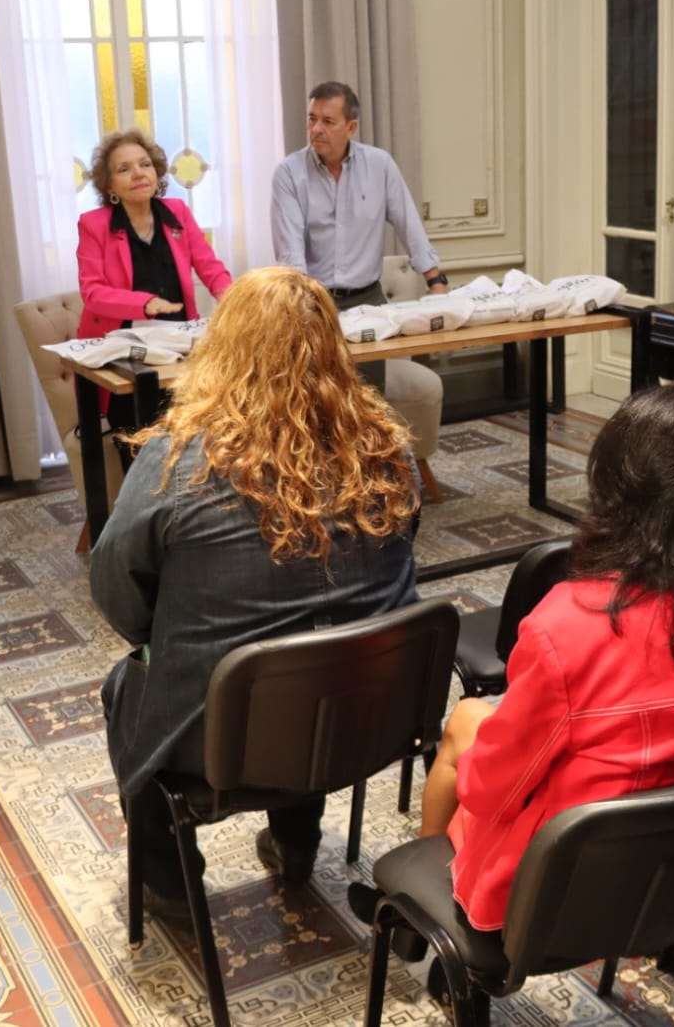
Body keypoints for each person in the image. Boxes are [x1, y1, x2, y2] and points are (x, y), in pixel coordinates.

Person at [350, 378, 674, 933]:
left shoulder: (571, 625)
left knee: (467, 724)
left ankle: (417, 920)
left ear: (624, 489)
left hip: (552, 894)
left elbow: (492, 791)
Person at [90, 267, 420, 923]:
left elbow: (117, 591)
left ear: (223, 347)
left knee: (126, 687)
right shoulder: (390, 451)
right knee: (315, 648)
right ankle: (297, 843)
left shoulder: (177, 462)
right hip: (365, 717)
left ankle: (169, 883)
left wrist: (166, 638)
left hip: (221, 739)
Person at [76, 127, 232, 420]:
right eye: (124, 169)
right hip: (124, 353)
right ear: (110, 186)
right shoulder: (93, 225)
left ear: (157, 173)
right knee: (144, 429)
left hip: (179, 345)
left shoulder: (177, 212)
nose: (138, 173)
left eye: (145, 164)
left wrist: (236, 302)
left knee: (207, 420)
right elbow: (93, 293)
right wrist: (145, 303)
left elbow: (210, 268)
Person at [271, 80, 449, 310]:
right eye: (312, 118)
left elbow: (409, 225)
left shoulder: (380, 165)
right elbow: (290, 253)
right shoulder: (288, 173)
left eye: (328, 121)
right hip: (314, 300)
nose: (316, 129)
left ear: (351, 128)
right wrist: (303, 309)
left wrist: (435, 281)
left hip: (369, 298)